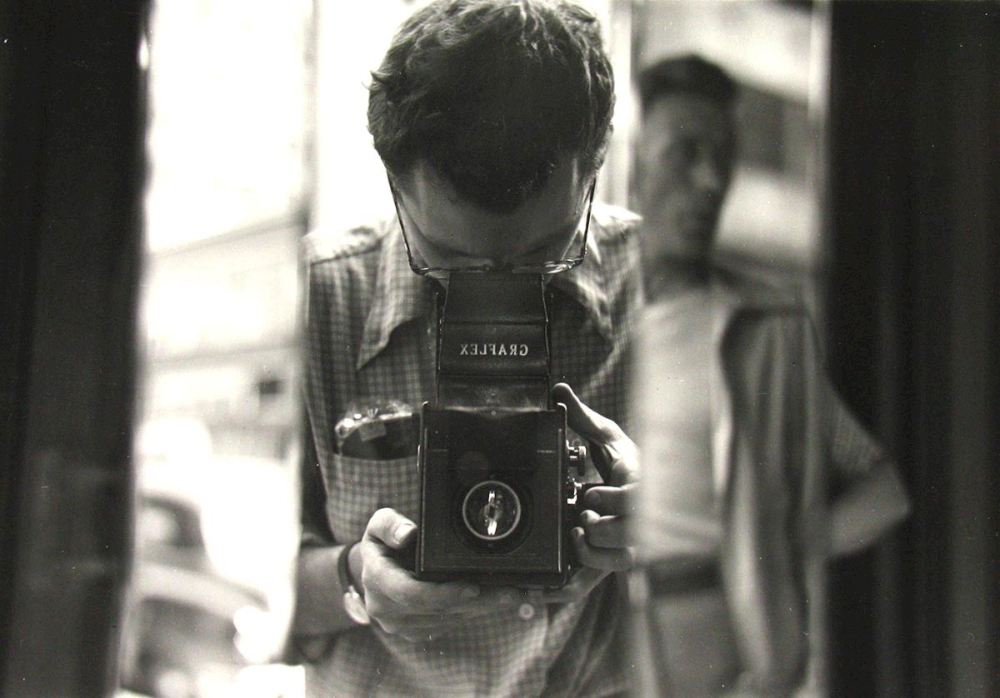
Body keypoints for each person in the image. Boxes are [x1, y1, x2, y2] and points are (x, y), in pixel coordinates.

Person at [291, 2, 642, 696]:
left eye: (544, 254)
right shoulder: (318, 299)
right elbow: (254, 587)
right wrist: (355, 578)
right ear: (394, 185)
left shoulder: (662, 289)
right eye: (449, 257)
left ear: (596, 165)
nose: (496, 289)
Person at [629, 54, 912, 696]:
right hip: (601, 644)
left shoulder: (766, 329)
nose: (709, 179)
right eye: (685, 152)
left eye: (724, 154)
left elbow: (883, 489)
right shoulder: (577, 314)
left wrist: (784, 549)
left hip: (721, 650)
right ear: (633, 160)